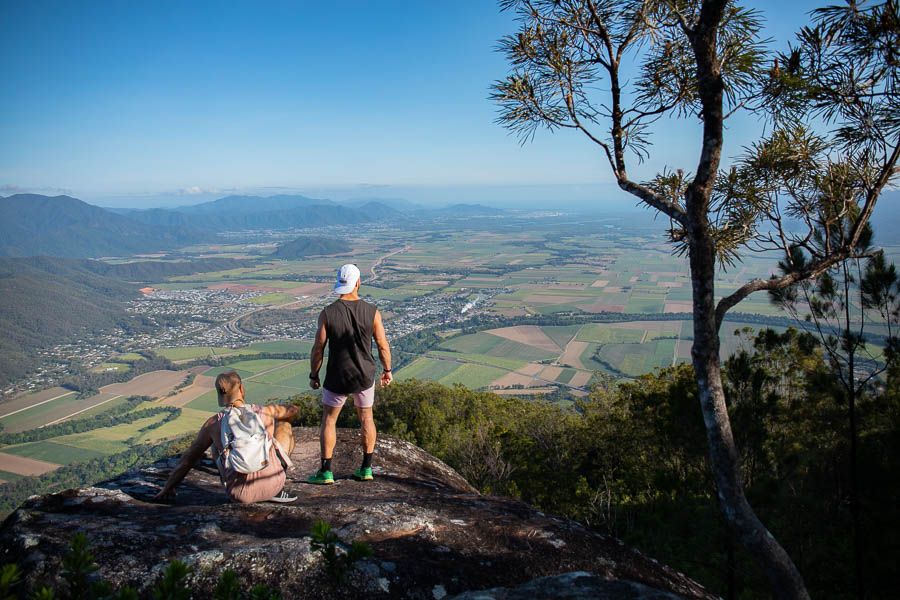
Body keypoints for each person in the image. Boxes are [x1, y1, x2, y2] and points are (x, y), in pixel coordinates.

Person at [154, 370, 298, 503]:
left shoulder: (213, 424)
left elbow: (188, 460)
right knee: (284, 423)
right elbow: (292, 409)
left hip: (240, 494)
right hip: (275, 485)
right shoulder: (264, 411)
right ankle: (277, 471)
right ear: (241, 389)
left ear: (219, 394)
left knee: (215, 444)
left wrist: (168, 487)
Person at [307, 263, 392, 484]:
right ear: (358, 283)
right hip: (364, 375)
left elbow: (318, 348)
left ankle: (326, 471)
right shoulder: (372, 312)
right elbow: (383, 345)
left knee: (329, 420)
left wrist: (314, 374)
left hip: (337, 376)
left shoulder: (327, 313)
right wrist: (387, 370)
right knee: (366, 418)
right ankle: (366, 469)